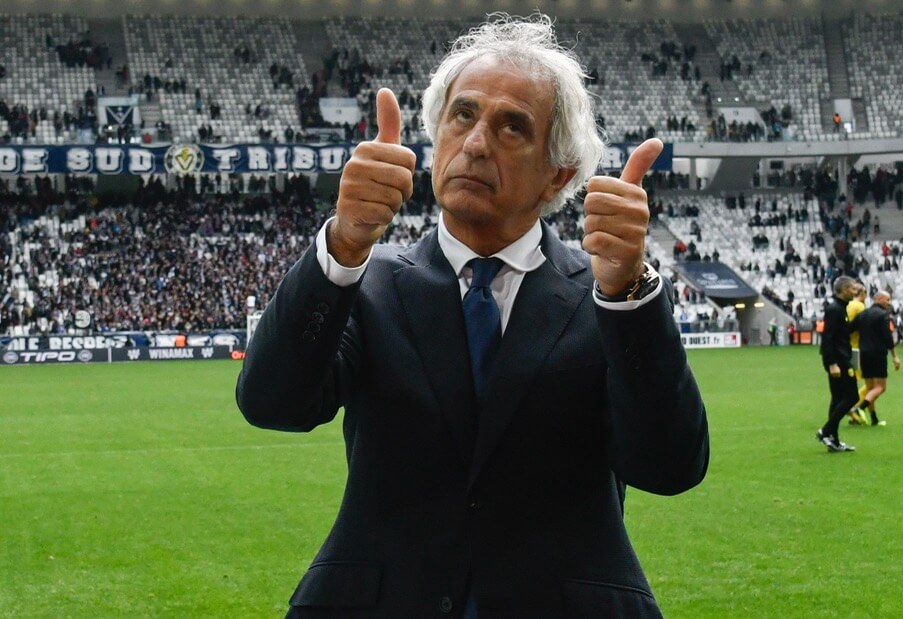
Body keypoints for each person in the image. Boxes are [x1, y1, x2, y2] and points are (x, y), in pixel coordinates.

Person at [236, 15, 709, 617]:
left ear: (558, 175)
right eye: (463, 115)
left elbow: (670, 466)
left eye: (513, 126)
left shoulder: (604, 300)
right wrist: (345, 243)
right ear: (436, 137)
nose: (477, 144)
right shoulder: (368, 283)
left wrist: (627, 295)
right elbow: (272, 403)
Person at [817, 275, 860, 452]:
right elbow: (828, 337)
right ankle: (826, 431)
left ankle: (833, 440)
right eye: (852, 288)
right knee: (852, 397)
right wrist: (832, 363)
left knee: (837, 399)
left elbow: (840, 334)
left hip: (840, 358)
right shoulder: (835, 309)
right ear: (843, 290)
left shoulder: (840, 308)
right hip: (839, 360)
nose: (855, 291)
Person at [849, 290, 901, 427]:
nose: (888, 303)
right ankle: (859, 408)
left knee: (870, 388)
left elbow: (850, 329)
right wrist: (895, 356)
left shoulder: (862, 314)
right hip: (878, 353)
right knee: (881, 387)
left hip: (863, 353)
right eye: (887, 299)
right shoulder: (883, 315)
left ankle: (874, 419)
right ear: (878, 299)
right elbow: (887, 337)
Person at [845, 284, 868, 425]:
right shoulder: (860, 307)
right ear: (863, 293)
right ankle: (852, 407)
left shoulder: (848, 305)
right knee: (872, 384)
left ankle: (853, 417)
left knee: (852, 382)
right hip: (857, 349)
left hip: (847, 349)